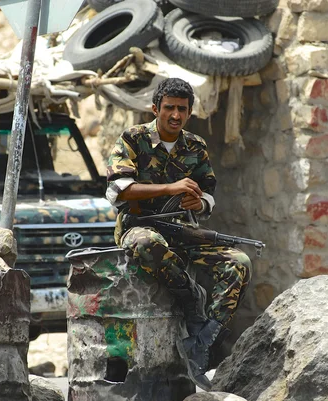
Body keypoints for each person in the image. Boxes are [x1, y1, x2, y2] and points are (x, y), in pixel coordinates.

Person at [106, 78, 251, 390]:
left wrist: (199, 202)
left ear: (189, 113)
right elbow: (119, 190)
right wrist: (171, 188)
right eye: (169, 108)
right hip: (139, 227)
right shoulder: (132, 139)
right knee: (148, 244)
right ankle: (192, 301)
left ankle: (202, 342)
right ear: (155, 108)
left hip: (183, 231)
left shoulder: (195, 147)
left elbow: (208, 193)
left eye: (181, 109)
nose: (175, 114)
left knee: (239, 262)